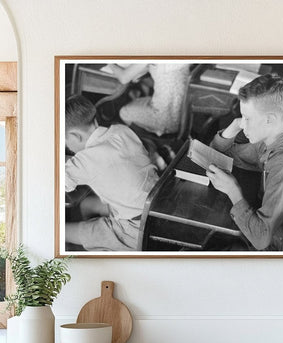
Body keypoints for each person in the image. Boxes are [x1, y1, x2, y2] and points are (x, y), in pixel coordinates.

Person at [206, 73, 283, 251]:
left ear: (270, 120)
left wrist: (233, 190)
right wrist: (235, 125)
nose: (243, 124)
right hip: (272, 232)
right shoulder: (270, 140)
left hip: (279, 250)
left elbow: (261, 240)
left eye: (247, 118)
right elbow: (216, 153)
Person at [65, 95, 158, 251]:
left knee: (60, 231)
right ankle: (96, 240)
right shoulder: (122, 130)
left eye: (65, 142)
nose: (67, 147)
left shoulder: (85, 161)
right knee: (86, 204)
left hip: (134, 231)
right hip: (154, 210)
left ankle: (99, 246)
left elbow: (59, 183)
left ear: (75, 136)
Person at [109, 63, 190, 137]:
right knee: (138, 95)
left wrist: (110, 63)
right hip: (182, 113)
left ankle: (143, 138)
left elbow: (124, 78)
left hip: (165, 120)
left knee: (124, 112)